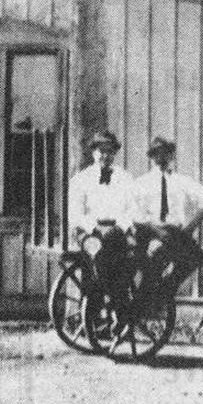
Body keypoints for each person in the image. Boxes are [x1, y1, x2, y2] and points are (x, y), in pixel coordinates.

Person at [130, 136, 203, 290]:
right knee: (150, 262)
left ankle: (165, 290)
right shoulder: (142, 183)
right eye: (157, 153)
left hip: (174, 233)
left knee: (194, 255)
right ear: (152, 156)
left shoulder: (181, 181)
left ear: (171, 155)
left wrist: (190, 228)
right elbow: (135, 215)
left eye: (166, 152)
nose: (161, 157)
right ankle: (145, 299)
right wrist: (156, 231)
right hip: (149, 231)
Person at [68, 131, 134, 310]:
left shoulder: (124, 178)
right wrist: (94, 228)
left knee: (129, 257)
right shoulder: (81, 179)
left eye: (110, 152)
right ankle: (100, 304)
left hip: (115, 231)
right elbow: (75, 214)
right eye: (101, 151)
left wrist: (120, 226)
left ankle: (120, 304)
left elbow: (132, 209)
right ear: (93, 152)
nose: (106, 156)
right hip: (89, 230)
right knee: (97, 253)